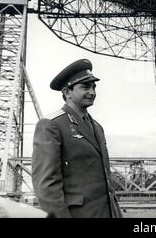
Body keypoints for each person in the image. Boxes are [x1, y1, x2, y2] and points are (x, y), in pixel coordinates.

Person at [32, 59, 122, 218]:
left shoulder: (97, 128)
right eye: (85, 87)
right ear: (67, 92)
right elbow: (46, 187)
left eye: (94, 87)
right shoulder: (51, 125)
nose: (92, 92)